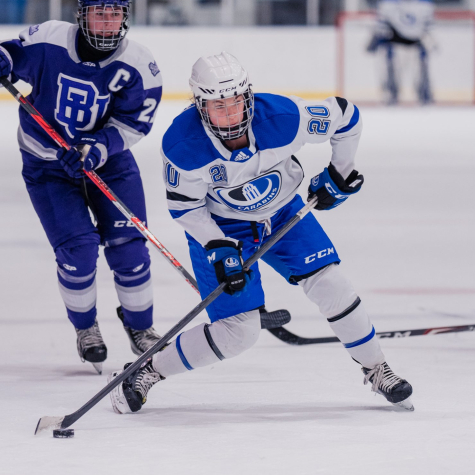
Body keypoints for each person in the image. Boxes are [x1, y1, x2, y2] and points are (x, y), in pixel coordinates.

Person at [108, 51, 414, 414]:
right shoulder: (183, 145)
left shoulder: (283, 118)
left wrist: (340, 171)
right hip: (222, 226)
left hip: (285, 213)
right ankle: (147, 370)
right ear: (199, 106)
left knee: (331, 284)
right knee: (239, 332)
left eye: (236, 103)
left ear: (248, 97)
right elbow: (186, 207)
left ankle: (376, 367)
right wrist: (217, 245)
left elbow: (345, 116)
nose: (230, 115)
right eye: (217, 106)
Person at [0, 0, 164, 373]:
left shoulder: (140, 64)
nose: (107, 23)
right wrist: (4, 60)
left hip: (110, 165)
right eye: (98, 13)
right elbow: (13, 52)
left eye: (115, 14)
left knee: (130, 248)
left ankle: (141, 327)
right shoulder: (50, 38)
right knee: (78, 252)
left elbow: (135, 123)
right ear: (81, 15)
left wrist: (99, 148)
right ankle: (86, 327)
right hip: (47, 165)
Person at [367, 0, 435, 104]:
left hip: (416, 47)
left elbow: (428, 28)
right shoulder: (387, 4)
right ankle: (391, 96)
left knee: (421, 77)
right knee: (391, 76)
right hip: (394, 47)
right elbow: (381, 27)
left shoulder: (425, 5)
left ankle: (424, 97)